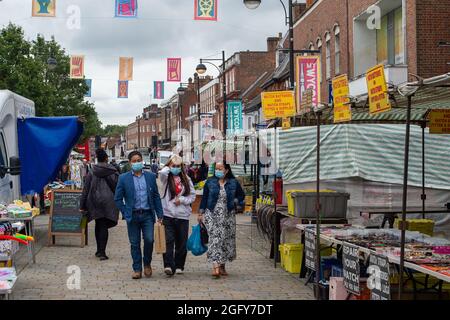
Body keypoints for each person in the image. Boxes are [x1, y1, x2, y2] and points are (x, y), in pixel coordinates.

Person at [114, 151, 164, 279]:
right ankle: (137, 268)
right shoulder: (123, 178)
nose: (137, 163)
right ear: (130, 163)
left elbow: (156, 197)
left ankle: (147, 263)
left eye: (139, 160)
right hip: (133, 215)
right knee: (134, 243)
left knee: (149, 239)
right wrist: (125, 211)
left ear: (142, 161)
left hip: (147, 214)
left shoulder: (150, 177)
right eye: (134, 161)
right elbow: (117, 199)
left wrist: (160, 214)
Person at [198, 162, 245, 278]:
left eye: (220, 168)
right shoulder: (210, 182)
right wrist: (201, 212)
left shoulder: (233, 183)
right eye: (216, 169)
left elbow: (241, 196)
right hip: (212, 214)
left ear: (227, 170)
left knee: (225, 240)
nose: (218, 170)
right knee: (215, 239)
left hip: (227, 215)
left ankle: (222, 265)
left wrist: (235, 201)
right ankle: (216, 267)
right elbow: (204, 198)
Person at [80, 149, 119, 261]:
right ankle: (102, 252)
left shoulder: (92, 171)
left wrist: (82, 205)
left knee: (99, 223)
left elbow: (85, 189)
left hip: (94, 201)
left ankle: (99, 250)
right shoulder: (113, 171)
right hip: (109, 201)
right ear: (106, 158)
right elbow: (117, 187)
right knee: (103, 226)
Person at [159, 155, 196, 276]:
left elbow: (192, 197)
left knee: (181, 242)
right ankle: (168, 265)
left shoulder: (187, 179)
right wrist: (171, 161)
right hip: (168, 214)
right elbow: (162, 172)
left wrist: (182, 200)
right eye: (173, 166)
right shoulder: (166, 178)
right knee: (169, 240)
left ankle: (179, 265)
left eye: (178, 166)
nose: (176, 168)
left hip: (182, 215)